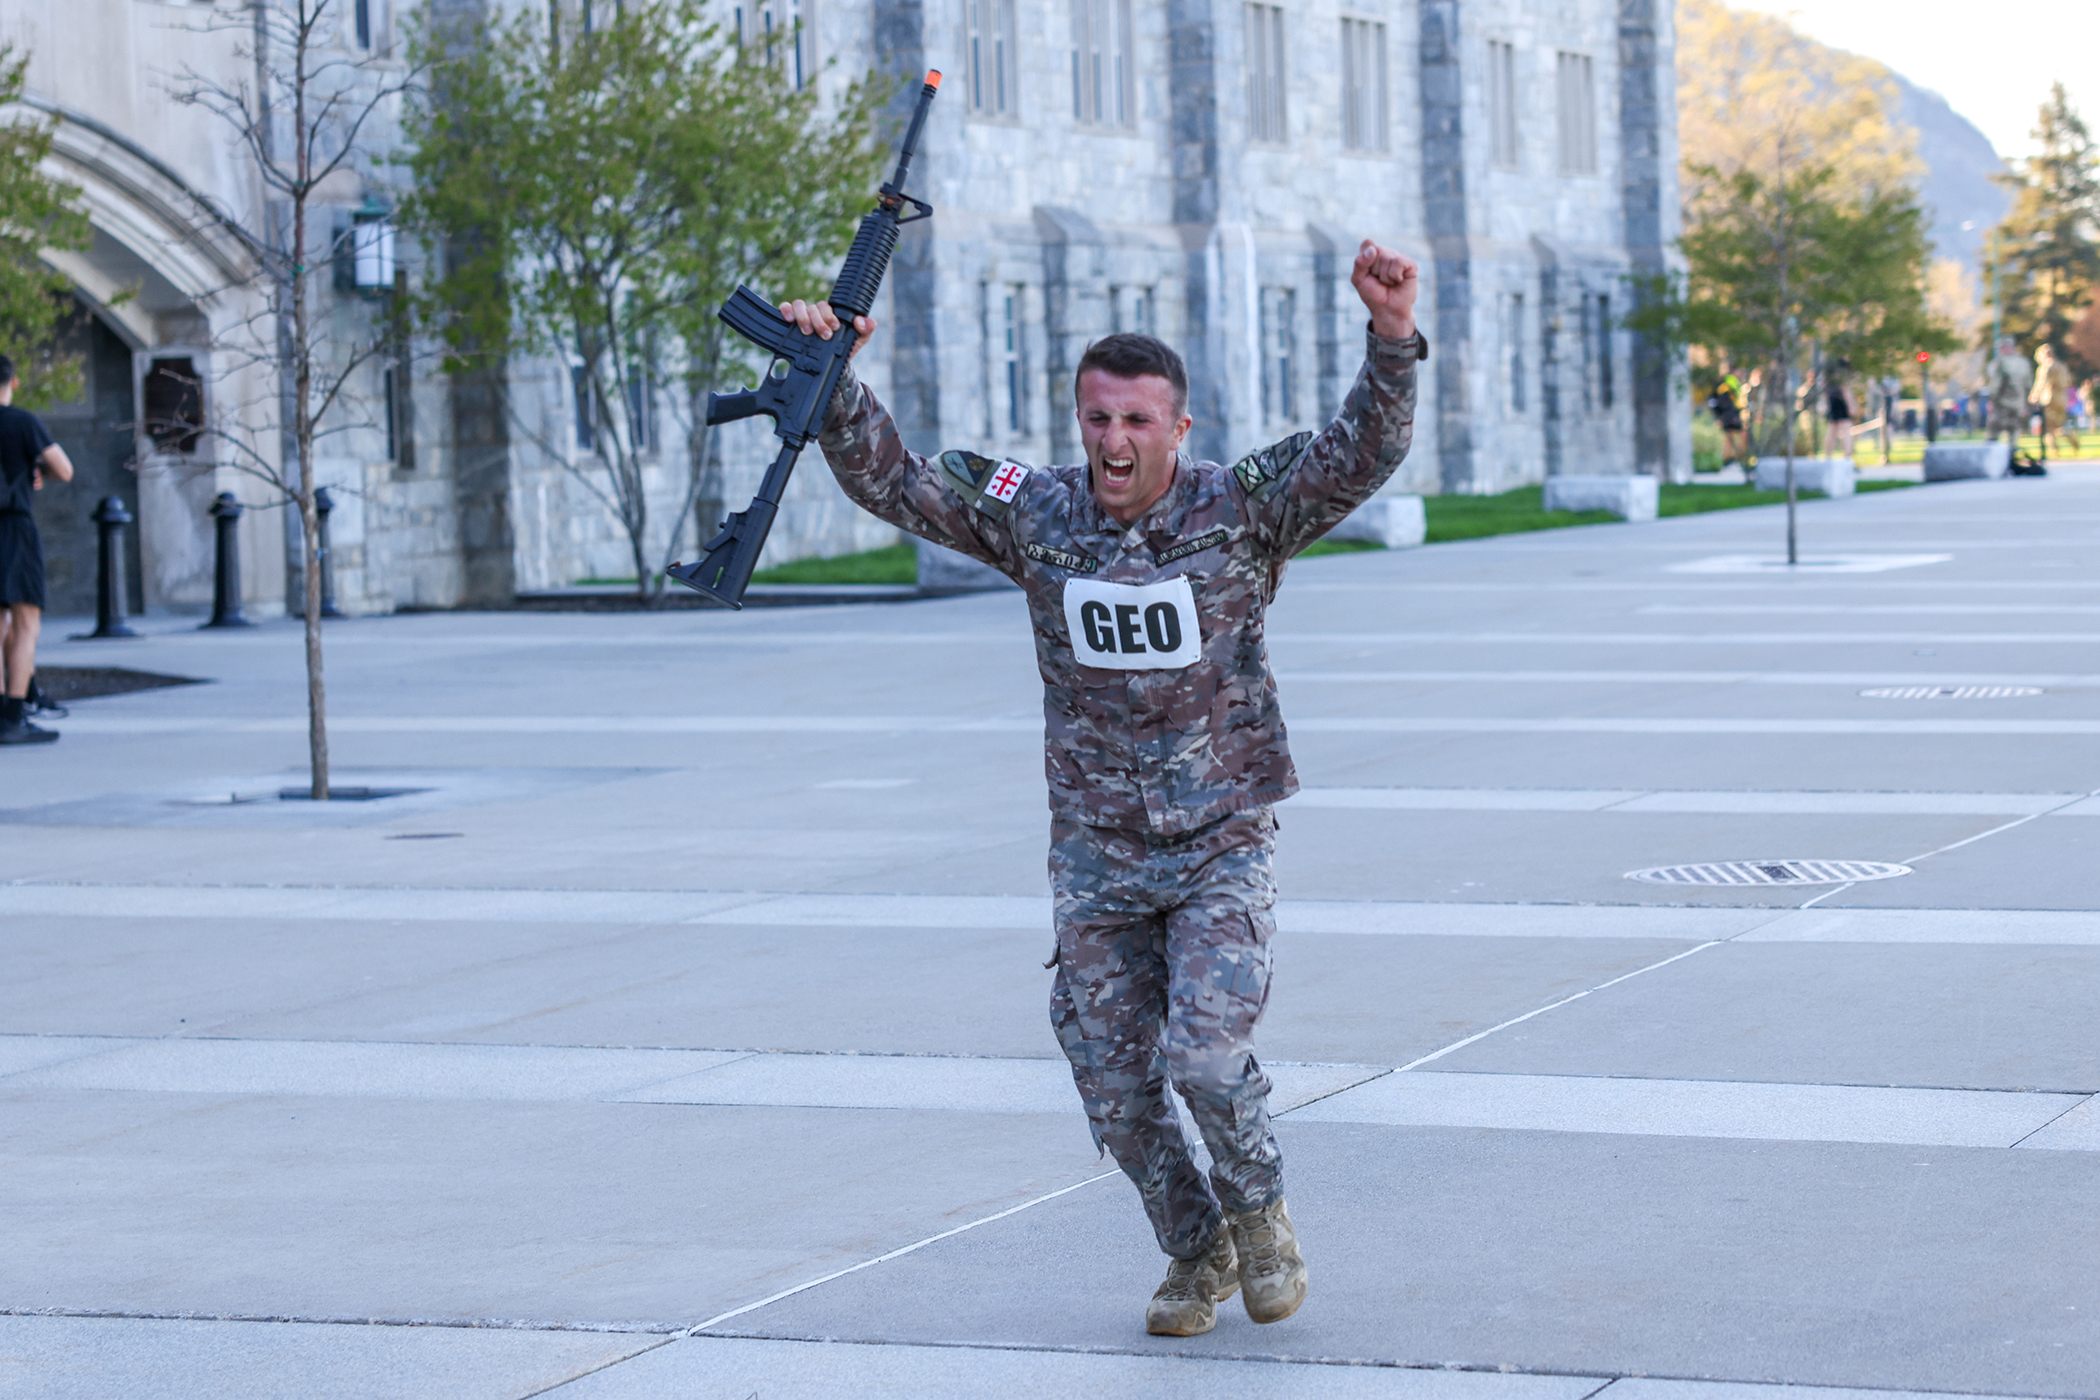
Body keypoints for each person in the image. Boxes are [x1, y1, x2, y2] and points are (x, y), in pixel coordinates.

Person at [790, 239, 1423, 1338]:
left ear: (1179, 426)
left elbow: (1362, 452)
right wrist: (835, 381)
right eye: (1097, 420)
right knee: (1113, 1083)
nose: (1115, 441)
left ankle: (1261, 1210)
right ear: (1078, 422)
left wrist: (1392, 338)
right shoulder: (1037, 514)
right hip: (1097, 853)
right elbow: (894, 479)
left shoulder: (1241, 509)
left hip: (1222, 834)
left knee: (1207, 1054)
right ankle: (1194, 1247)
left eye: (1138, 421)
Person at [0, 354, 74, 746]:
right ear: (13, 383)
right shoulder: (23, 422)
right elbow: (64, 469)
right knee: (26, 625)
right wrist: (37, 469)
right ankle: (14, 717)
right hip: (13, 527)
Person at [1984, 335, 2034, 445]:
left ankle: (1991, 456)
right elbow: (2028, 385)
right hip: (2018, 404)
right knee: (2014, 430)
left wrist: (1991, 400)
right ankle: (2012, 455)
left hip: (2002, 403)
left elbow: (1996, 384)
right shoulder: (2023, 362)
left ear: (2003, 348)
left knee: (1994, 430)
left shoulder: (2000, 363)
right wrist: (2025, 403)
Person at [2030, 343, 2079, 456]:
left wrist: (2035, 395)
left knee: (2048, 427)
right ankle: (2073, 439)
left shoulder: (2046, 367)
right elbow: (2068, 381)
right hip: (2062, 398)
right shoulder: (2062, 365)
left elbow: (2041, 382)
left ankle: (2054, 449)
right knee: (2060, 425)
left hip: (2050, 398)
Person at [1706, 364, 1748, 470]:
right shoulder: (1728, 384)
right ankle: (1733, 458)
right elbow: (1725, 402)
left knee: (1730, 437)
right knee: (1737, 436)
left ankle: (1730, 458)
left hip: (1730, 415)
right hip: (1730, 416)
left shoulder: (1729, 383)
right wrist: (1728, 416)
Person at [1824, 358, 1856, 457]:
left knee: (1832, 430)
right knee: (1846, 429)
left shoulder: (1829, 368)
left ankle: (1827, 457)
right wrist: (1851, 405)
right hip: (1841, 402)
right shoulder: (1842, 369)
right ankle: (1847, 457)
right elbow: (1845, 389)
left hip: (1832, 399)